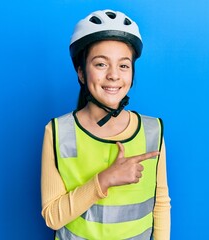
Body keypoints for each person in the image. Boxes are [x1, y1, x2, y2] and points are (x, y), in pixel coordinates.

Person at [41, 9, 171, 239]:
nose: (113, 75)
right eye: (101, 64)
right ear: (81, 73)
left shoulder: (153, 131)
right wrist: (105, 179)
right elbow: (52, 217)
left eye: (123, 65)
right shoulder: (58, 131)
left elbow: (160, 205)